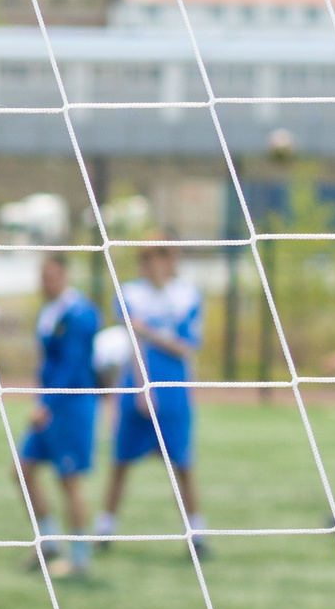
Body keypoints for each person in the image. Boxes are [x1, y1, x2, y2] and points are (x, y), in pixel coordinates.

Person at [95, 240, 209, 558]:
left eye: (163, 256)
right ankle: (104, 528)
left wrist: (150, 332)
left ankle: (197, 533)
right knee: (120, 461)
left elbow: (186, 345)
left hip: (174, 391)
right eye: (150, 257)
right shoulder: (130, 294)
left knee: (182, 463)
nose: (157, 264)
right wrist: (144, 387)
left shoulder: (187, 296)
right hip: (136, 388)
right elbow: (132, 341)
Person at [16, 252, 100, 577]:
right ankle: (49, 541)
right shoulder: (50, 311)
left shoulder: (79, 313)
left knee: (69, 479)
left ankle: (80, 557)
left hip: (69, 406)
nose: (44, 282)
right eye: (41, 275)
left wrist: (45, 403)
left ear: (65, 274)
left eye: (49, 275)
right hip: (49, 404)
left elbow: (72, 366)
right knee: (22, 470)